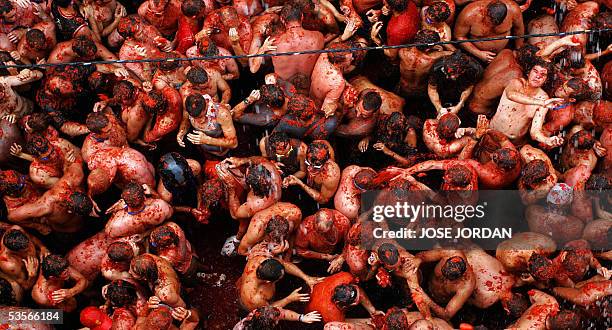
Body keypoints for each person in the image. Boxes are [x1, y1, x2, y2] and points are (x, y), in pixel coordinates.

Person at [490, 62, 566, 148]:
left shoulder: (544, 98)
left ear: (546, 80)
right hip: (491, 133)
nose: (538, 76)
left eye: (543, 74)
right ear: (528, 73)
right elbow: (511, 95)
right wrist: (542, 103)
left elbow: (535, 131)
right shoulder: (517, 83)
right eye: (535, 71)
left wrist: (547, 140)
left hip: (513, 144)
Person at [408, 249, 476, 320]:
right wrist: (418, 260)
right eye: (443, 272)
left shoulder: (467, 285)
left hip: (438, 303)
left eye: (449, 278)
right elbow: (421, 256)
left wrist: (427, 300)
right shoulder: (450, 252)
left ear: (462, 276)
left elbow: (447, 315)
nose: (444, 279)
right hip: (426, 283)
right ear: (448, 260)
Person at [237, 254, 321, 310]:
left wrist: (306, 277)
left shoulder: (262, 260)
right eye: (279, 279)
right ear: (268, 281)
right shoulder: (254, 297)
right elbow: (267, 310)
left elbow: (284, 264)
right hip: (253, 305)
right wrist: (289, 299)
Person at [270, 4, 324, 86]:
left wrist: (262, 48)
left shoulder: (273, 43)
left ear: (282, 19)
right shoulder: (318, 37)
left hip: (285, 92)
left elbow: (253, 66)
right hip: (310, 90)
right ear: (302, 17)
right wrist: (341, 38)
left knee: (269, 77)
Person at [454, 0, 524, 62]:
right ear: (485, 11)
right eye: (490, 22)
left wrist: (518, 49)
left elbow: (518, 29)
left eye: (497, 23)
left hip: (503, 53)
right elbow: (459, 36)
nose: (492, 26)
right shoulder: (469, 14)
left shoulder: (513, 10)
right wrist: (478, 53)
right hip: (474, 56)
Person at [305, 271, 382, 323]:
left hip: (316, 289)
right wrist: (370, 322)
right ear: (342, 305)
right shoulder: (333, 315)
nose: (360, 297)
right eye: (355, 301)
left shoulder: (345, 277)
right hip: (308, 307)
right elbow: (344, 324)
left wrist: (373, 311)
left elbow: (358, 290)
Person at [237, 202, 302, 256]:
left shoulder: (295, 214)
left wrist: (286, 251)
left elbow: (293, 233)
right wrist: (258, 252)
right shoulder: (255, 231)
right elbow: (241, 251)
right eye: (272, 239)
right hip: (255, 208)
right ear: (266, 230)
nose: (274, 242)